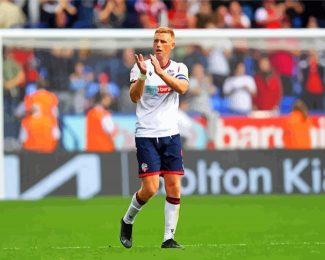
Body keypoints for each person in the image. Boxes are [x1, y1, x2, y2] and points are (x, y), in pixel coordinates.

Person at [120, 26, 189, 249]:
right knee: (150, 189)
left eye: (163, 41)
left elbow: (182, 88)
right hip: (147, 135)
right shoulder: (140, 67)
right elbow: (134, 97)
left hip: (170, 135)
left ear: (172, 45)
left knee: (173, 187)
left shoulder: (179, 67)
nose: (158, 44)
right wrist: (143, 74)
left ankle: (168, 238)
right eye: (156, 40)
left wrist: (162, 74)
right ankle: (127, 220)